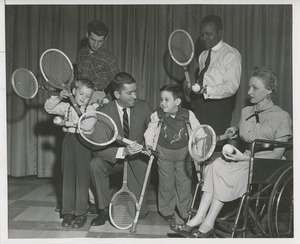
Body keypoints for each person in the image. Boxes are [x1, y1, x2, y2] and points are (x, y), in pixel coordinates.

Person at [176, 67, 292, 238]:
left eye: (255, 88)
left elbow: (276, 154)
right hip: (243, 156)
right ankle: (200, 217)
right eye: (249, 87)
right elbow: (243, 135)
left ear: (269, 91)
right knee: (215, 166)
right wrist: (234, 133)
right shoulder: (246, 112)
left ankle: (208, 223)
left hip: (266, 164)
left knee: (226, 172)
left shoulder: (282, 116)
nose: (248, 92)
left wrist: (245, 158)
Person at [89, 72, 153, 226]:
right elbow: (96, 148)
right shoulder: (104, 113)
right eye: (129, 93)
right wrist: (123, 152)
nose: (134, 96)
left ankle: (136, 204)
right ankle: (103, 209)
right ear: (117, 94)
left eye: (135, 91)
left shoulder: (144, 107)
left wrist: (148, 146)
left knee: (140, 213)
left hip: (137, 159)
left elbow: (154, 131)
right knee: (95, 164)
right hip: (116, 160)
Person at [144, 84, 203, 229]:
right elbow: (150, 131)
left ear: (177, 101)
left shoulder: (188, 114)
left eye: (166, 99)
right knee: (166, 183)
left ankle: (185, 211)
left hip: (184, 156)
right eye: (161, 99)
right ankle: (167, 212)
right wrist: (149, 145)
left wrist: (199, 150)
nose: (162, 103)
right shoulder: (157, 115)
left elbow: (199, 132)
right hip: (164, 154)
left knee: (184, 184)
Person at [44, 79, 96, 229]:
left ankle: (81, 214)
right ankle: (68, 212)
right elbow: (48, 108)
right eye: (81, 93)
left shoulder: (91, 109)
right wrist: (59, 97)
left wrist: (67, 123)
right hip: (68, 141)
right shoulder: (66, 107)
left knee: (82, 178)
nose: (84, 98)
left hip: (83, 143)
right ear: (73, 91)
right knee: (67, 176)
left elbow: (87, 126)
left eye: (87, 95)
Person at [190, 14, 242, 136]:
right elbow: (204, 79)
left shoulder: (230, 54)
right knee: (197, 142)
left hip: (219, 108)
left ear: (219, 33)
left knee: (214, 145)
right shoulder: (203, 55)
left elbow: (231, 86)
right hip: (200, 106)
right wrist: (195, 90)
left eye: (209, 34)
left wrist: (206, 90)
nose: (204, 38)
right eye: (202, 34)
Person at [76, 20, 119, 107]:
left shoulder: (108, 57)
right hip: (80, 96)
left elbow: (117, 84)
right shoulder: (81, 52)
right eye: (92, 39)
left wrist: (106, 99)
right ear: (87, 35)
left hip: (98, 98)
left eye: (100, 41)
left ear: (105, 39)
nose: (95, 44)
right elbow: (77, 77)